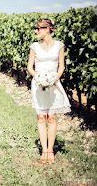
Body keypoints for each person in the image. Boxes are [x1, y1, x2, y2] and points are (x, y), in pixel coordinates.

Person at [27, 18, 71, 164]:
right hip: (39, 83)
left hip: (53, 83)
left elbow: (61, 66)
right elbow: (30, 67)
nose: (36, 31)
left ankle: (50, 150)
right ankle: (44, 149)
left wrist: (54, 80)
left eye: (38, 28)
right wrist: (38, 78)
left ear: (47, 29)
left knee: (51, 116)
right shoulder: (34, 46)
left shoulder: (59, 45)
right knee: (41, 117)